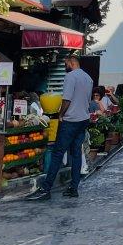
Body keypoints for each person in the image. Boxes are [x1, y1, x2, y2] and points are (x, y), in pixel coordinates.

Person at [27, 54, 93, 201]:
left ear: (71, 62)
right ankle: (73, 188)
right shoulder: (88, 78)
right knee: (76, 154)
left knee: (57, 153)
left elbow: (67, 99)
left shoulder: (70, 77)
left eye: (65, 63)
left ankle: (46, 189)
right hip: (83, 119)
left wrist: (61, 114)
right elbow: (86, 100)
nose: (64, 66)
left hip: (70, 120)